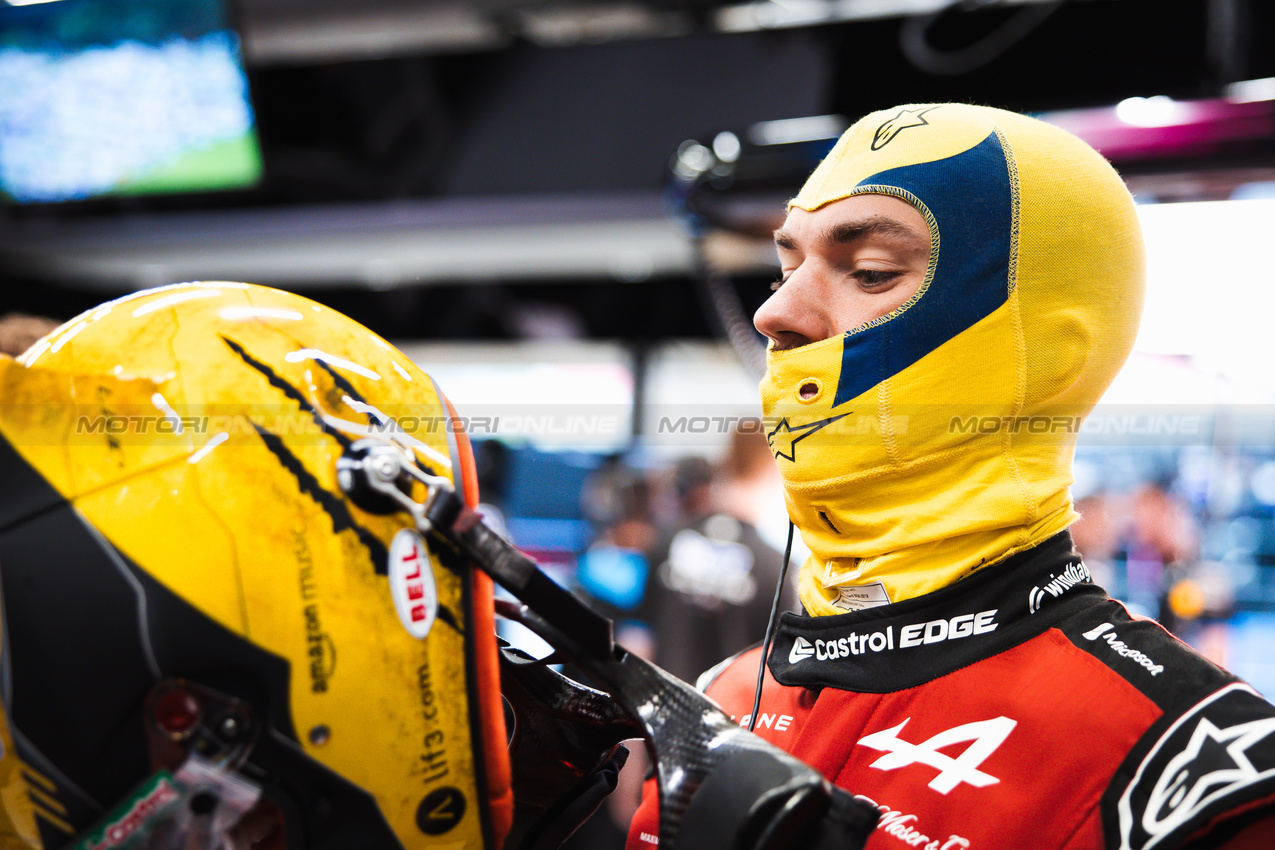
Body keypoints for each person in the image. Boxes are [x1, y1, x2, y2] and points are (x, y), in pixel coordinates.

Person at [628, 103, 1275, 849]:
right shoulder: (724, 696)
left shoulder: (1184, 775)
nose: (775, 312)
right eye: (786, 266)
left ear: (1050, 357)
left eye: (868, 272)